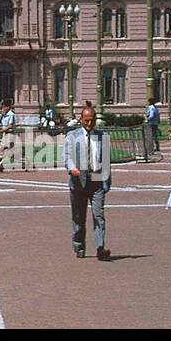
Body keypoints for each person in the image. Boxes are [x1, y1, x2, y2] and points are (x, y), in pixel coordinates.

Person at [64, 105, 111, 260]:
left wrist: (106, 181)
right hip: (78, 182)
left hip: (96, 181)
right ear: (81, 120)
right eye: (87, 120)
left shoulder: (102, 137)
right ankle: (79, 245)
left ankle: (100, 247)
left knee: (99, 215)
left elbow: (106, 161)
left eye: (92, 120)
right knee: (78, 217)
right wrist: (72, 169)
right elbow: (67, 156)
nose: (90, 124)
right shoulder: (72, 136)